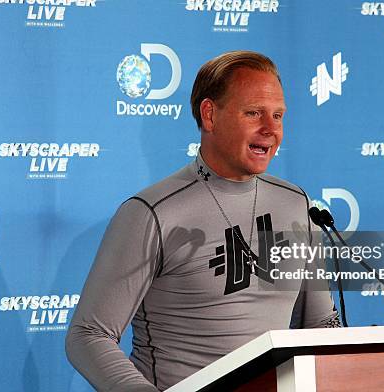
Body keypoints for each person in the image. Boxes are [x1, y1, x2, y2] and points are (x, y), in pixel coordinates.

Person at [66, 50, 340, 392]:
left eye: (278, 115)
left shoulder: (296, 204)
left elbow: (318, 324)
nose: (270, 129)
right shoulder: (151, 213)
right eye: (254, 113)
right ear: (209, 115)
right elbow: (88, 335)